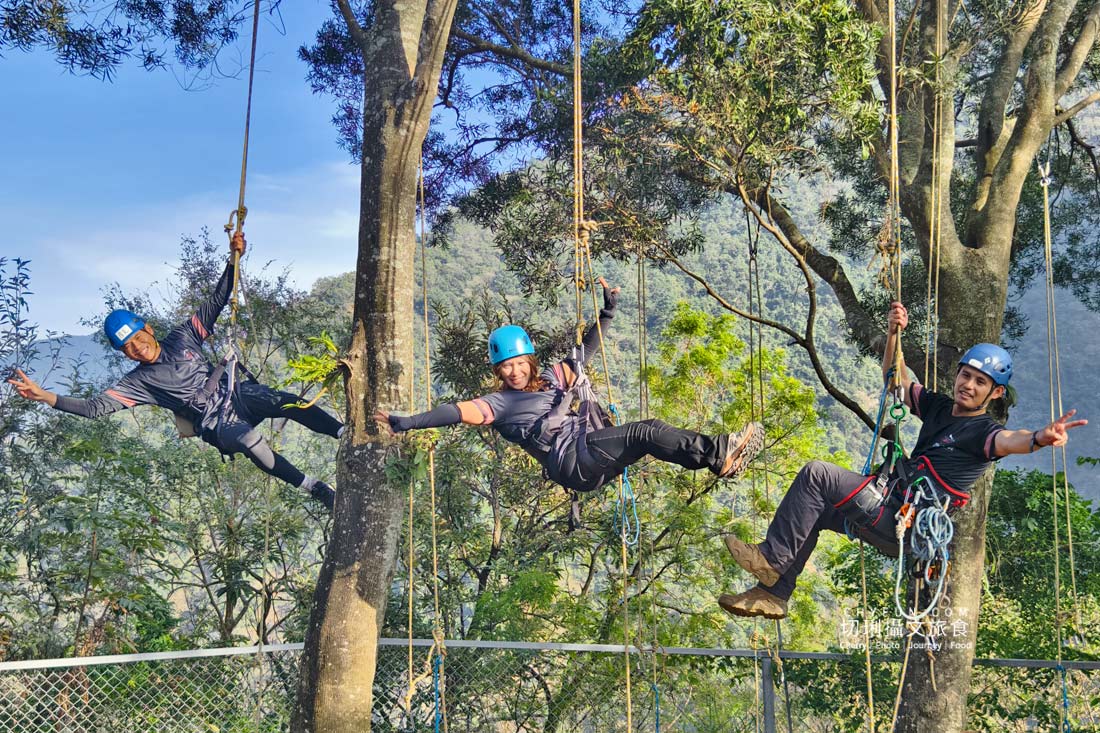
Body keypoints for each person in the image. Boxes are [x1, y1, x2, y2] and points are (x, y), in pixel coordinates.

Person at [717, 301, 1087, 619]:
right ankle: (774, 595)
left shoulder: (982, 433)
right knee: (815, 510)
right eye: (965, 375)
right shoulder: (941, 408)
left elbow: (1009, 441)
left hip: (899, 517)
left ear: (995, 392)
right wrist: (895, 334)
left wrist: (1040, 438)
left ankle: (772, 558)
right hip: (890, 510)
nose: (968, 385)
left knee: (818, 475)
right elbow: (897, 381)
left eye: (979, 382)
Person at [7, 232, 342, 510]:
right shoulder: (138, 383)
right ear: (126, 354)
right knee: (251, 441)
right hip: (215, 423)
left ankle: (343, 433)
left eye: (138, 339)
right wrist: (45, 396)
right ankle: (314, 488)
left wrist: (234, 259)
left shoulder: (183, 336)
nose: (138, 348)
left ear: (148, 330)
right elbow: (94, 409)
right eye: (129, 348)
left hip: (236, 395)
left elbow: (216, 302)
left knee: (286, 402)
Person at [375, 278, 765, 495]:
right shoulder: (500, 403)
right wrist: (407, 422)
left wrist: (608, 312)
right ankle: (718, 455)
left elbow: (586, 352)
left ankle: (721, 458)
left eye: (517, 364)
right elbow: (455, 412)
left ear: (529, 360)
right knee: (647, 432)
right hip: (575, 462)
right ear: (498, 370)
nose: (513, 372)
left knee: (652, 432)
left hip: (587, 455)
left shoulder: (550, 379)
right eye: (505, 367)